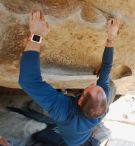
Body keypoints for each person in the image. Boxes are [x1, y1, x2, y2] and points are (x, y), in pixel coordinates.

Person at [19, 11, 120, 146]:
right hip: (81, 135)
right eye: (97, 86)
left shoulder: (63, 110)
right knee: (109, 83)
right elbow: (106, 69)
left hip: (70, 141)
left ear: (80, 100)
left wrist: (36, 35)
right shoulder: (103, 107)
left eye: (90, 87)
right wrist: (111, 37)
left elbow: (29, 81)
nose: (92, 82)